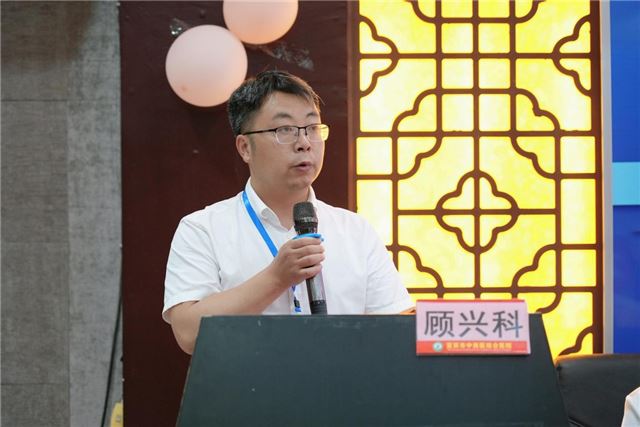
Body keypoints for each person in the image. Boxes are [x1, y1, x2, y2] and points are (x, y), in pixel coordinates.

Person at [163, 70, 414, 354]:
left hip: (340, 382)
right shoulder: (203, 229)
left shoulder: (355, 231)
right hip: (248, 384)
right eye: (284, 130)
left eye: (312, 128)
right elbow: (188, 333)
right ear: (245, 148)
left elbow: (397, 330)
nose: (304, 142)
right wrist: (276, 278)